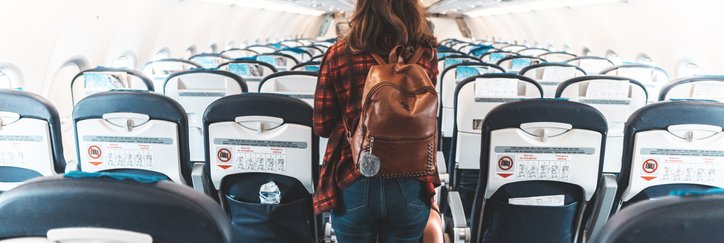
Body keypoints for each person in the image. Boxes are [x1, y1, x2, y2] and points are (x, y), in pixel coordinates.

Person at [312, 0, 440, 242]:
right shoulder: (426, 54)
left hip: (355, 174)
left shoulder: (339, 53)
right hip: (411, 178)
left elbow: (322, 125)